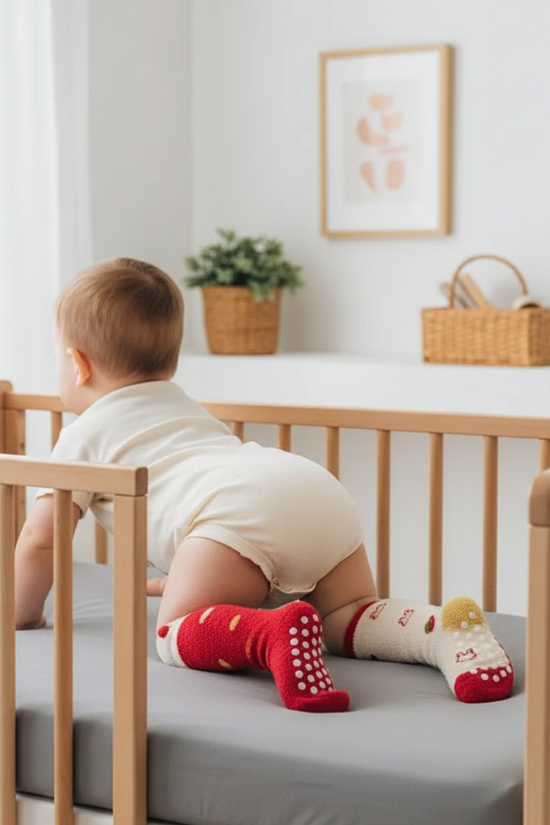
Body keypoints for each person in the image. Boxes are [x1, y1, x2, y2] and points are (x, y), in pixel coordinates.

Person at [14, 258, 514, 712]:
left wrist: (22, 614)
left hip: (236, 516)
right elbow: (202, 500)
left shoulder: (82, 435)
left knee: (174, 632)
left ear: (78, 365)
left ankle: (270, 633)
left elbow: (41, 539)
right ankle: (441, 630)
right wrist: (185, 575)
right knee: (347, 617)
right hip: (313, 493)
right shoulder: (184, 407)